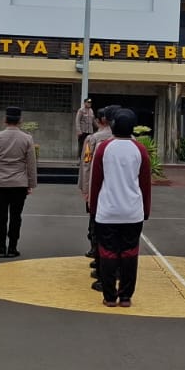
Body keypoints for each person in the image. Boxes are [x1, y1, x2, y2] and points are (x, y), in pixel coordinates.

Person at [89, 109, 152, 307]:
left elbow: (96, 181)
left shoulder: (104, 148)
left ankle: (109, 296)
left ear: (113, 126)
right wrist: (146, 209)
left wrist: (93, 207)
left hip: (108, 210)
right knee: (130, 254)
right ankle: (125, 296)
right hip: (132, 211)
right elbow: (145, 184)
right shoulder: (140, 149)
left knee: (107, 253)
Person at [0, 106, 37, 257]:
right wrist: (31, 183)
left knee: (1, 215)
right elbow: (31, 164)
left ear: (5, 120)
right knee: (16, 216)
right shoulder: (27, 138)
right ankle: (13, 248)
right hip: (19, 183)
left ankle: (1, 248)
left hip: (0, 182)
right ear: (20, 121)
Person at [79, 104, 118, 284]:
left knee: (97, 228)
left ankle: (100, 262)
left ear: (101, 120)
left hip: (99, 190)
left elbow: (86, 164)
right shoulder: (132, 141)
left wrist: (85, 189)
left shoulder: (94, 139)